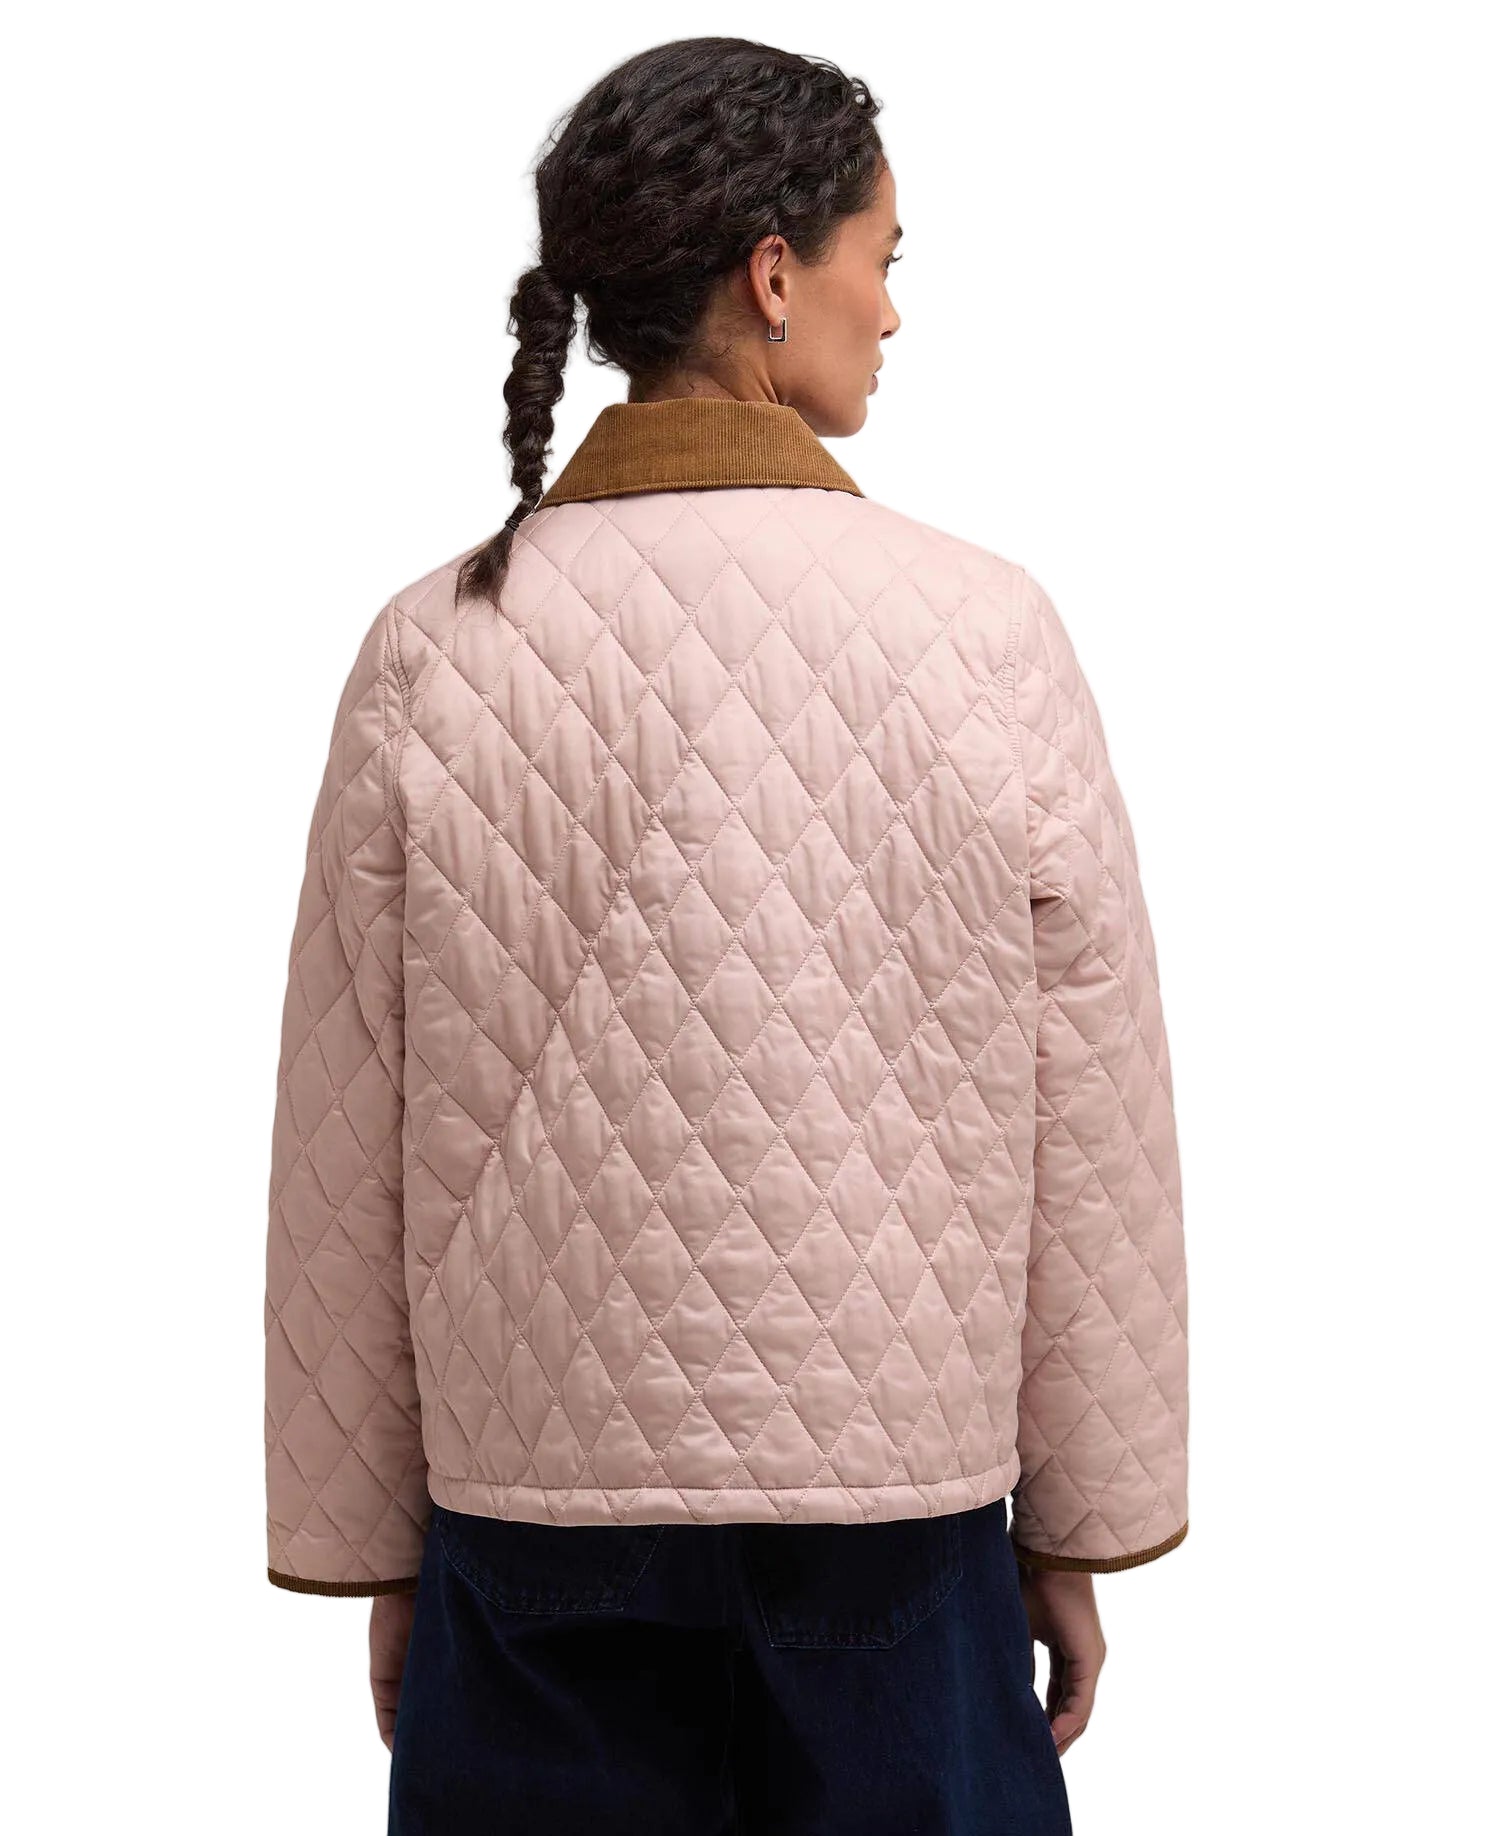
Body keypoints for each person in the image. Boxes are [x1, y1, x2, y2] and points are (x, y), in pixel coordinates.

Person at [263, 36, 1188, 1836]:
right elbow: (1095, 1114)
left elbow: (342, 1131)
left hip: (530, 1513)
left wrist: (372, 1543)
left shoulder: (430, 652)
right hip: (901, 1505)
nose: (892, 311)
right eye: (880, 259)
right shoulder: (985, 631)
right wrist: (1082, 1521)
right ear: (774, 274)